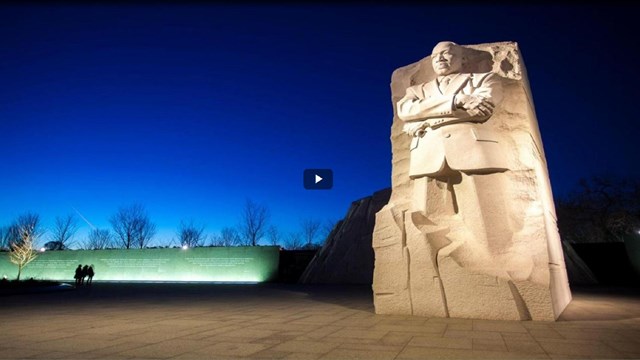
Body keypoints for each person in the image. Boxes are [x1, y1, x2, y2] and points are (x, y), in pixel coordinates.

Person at [397, 41, 513, 270]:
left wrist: (425, 120)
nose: (440, 58)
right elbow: (405, 111)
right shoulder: (416, 91)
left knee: (486, 221)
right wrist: (457, 101)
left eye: (447, 54)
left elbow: (481, 111)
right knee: (427, 218)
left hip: (473, 151)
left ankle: (495, 266)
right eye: (435, 56)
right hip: (427, 155)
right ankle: (435, 271)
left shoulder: (484, 79)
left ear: (462, 59)